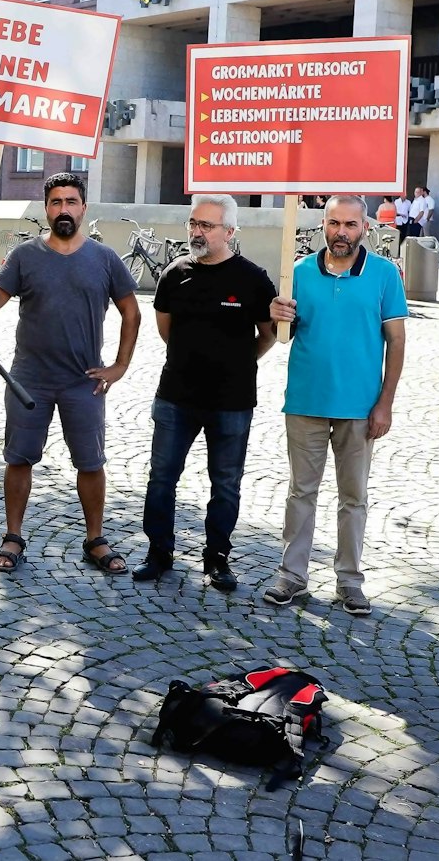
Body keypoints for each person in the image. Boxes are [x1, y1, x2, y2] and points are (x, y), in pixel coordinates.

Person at [0, 171, 140, 576]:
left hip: (84, 381)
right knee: (19, 458)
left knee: (91, 463)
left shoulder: (104, 258)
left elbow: (132, 311)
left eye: (71, 202)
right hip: (29, 379)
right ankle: (13, 535)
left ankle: (95, 539)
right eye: (56, 202)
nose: (64, 209)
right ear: (46, 209)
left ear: (83, 208)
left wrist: (120, 365)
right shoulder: (26, 255)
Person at [263, 195, 408, 615]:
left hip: (360, 406)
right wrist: (275, 316)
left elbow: (396, 342)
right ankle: (292, 576)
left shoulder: (384, 275)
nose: (340, 232)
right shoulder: (299, 273)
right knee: (300, 492)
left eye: (349, 224)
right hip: (306, 399)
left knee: (353, 497)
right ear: (322, 225)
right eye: (333, 223)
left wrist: (385, 403)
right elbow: (280, 333)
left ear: (365, 227)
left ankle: (349, 581)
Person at [132, 195, 275, 590]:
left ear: (229, 232)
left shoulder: (252, 278)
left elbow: (268, 336)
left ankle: (217, 559)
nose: (197, 231)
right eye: (193, 223)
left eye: (206, 226)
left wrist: (240, 362)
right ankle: (158, 553)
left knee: (225, 483)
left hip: (232, 400)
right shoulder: (174, 273)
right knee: (161, 478)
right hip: (176, 396)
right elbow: (166, 330)